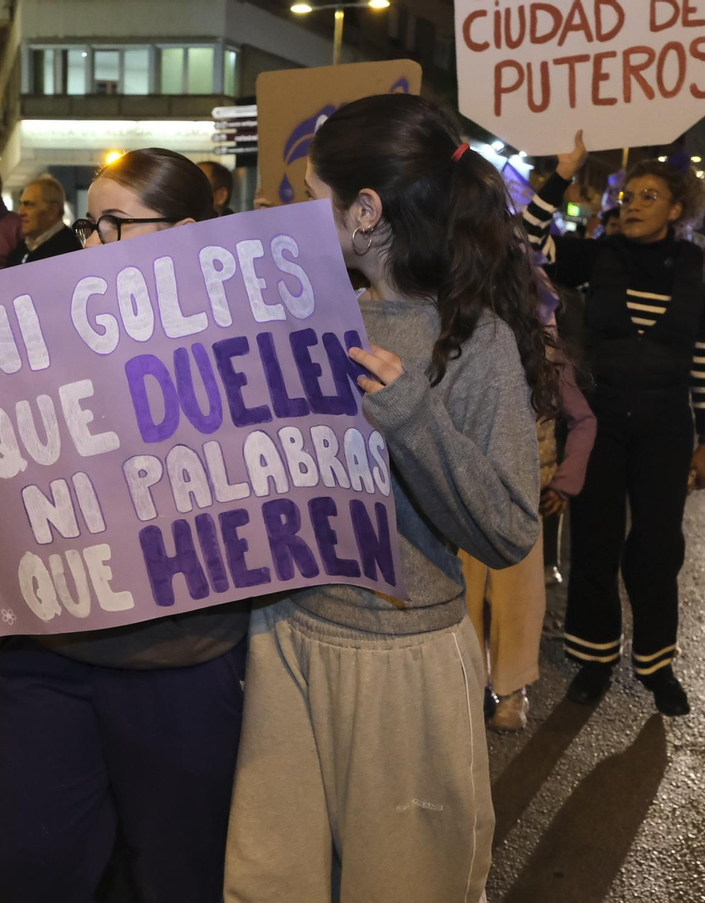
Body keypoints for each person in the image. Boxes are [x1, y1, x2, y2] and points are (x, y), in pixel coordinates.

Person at [223, 93, 553, 902]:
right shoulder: (298, 313)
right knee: (270, 881)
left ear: (364, 211)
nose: (287, 210)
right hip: (284, 634)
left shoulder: (476, 340)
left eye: (306, 195)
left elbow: (509, 528)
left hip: (400, 663)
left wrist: (410, 416)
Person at [0, 148, 244, 903]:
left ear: (185, 233)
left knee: (177, 876)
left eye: (113, 225)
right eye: (87, 224)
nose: (89, 243)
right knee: (36, 868)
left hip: (182, 668)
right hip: (51, 658)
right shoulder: (40, 334)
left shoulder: (242, 348)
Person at [524, 132, 705, 717]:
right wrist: (563, 174)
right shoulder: (595, 255)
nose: (631, 205)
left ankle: (657, 665)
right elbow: (523, 241)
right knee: (595, 542)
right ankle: (594, 661)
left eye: (647, 196)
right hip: (601, 423)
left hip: (667, 427)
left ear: (676, 209)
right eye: (628, 195)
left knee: (658, 548)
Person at [463, 299, 596, 731]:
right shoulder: (461, 340)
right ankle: (467, 684)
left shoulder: (547, 355)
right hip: (466, 495)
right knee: (462, 596)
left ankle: (512, 689)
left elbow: (582, 419)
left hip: (524, 499)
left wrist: (564, 481)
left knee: (517, 600)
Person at [9, 175, 81, 265]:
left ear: (52, 211)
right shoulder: (19, 250)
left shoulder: (73, 251)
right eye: (21, 204)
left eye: (28, 205)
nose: (20, 212)